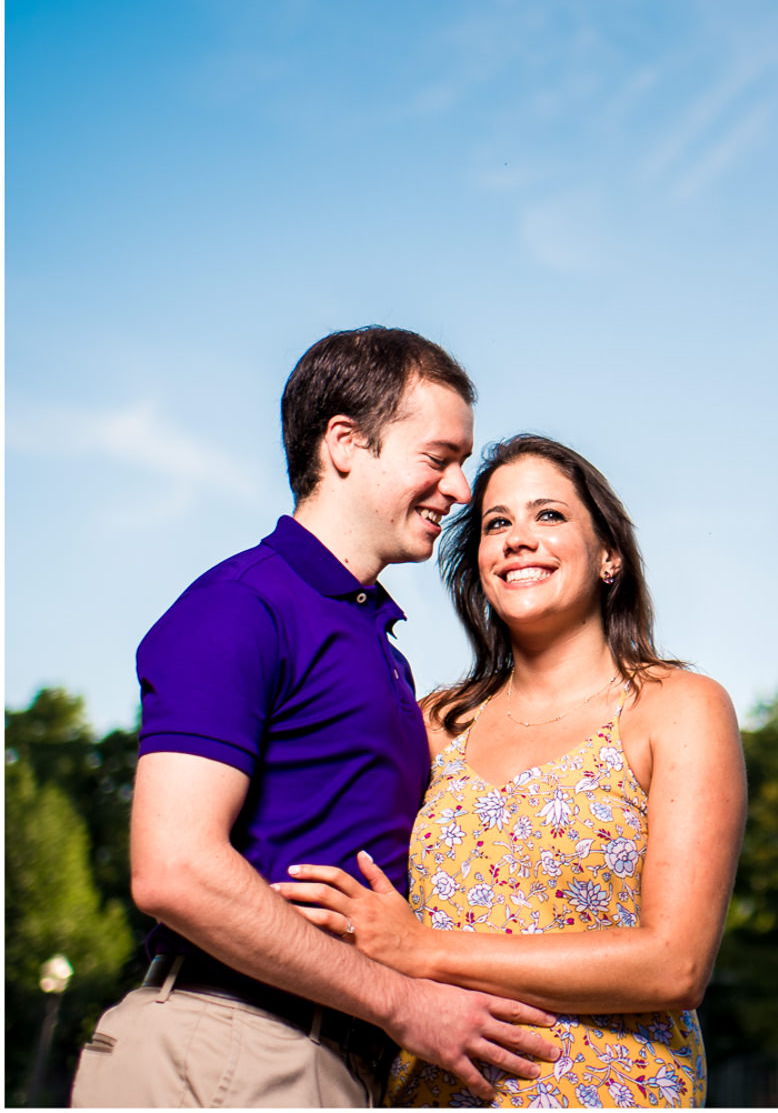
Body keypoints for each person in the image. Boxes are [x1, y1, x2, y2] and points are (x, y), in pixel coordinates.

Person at [80, 327, 562, 1106]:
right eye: (439, 457)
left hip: (327, 1059)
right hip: (224, 1047)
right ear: (344, 443)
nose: (463, 489)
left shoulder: (378, 644)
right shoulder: (241, 606)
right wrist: (403, 1002)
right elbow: (172, 869)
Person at [266, 434, 741, 1106]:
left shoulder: (677, 707)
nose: (519, 538)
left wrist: (423, 948)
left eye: (549, 515)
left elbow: (675, 965)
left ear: (609, 555)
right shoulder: (433, 722)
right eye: (497, 522)